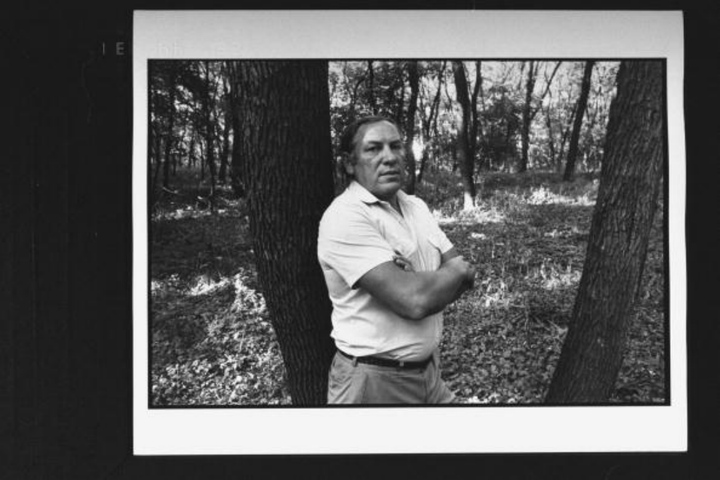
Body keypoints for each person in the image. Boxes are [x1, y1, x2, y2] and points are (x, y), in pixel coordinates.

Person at [317, 115, 476, 404]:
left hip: (430, 374)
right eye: (373, 148)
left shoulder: (416, 206)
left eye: (396, 146)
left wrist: (419, 281)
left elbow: (466, 272)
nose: (389, 157)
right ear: (349, 163)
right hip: (373, 383)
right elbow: (414, 301)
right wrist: (436, 281)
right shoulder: (345, 216)